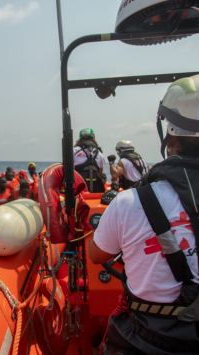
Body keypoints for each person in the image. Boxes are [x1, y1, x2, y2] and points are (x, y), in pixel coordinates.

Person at [89, 75, 199, 355]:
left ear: (169, 132)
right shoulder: (138, 158)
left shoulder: (128, 204)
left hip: (148, 337)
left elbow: (97, 255)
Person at [73, 128, 106, 192]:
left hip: (79, 187)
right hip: (96, 188)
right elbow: (100, 173)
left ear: (80, 139)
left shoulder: (75, 151)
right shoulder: (99, 153)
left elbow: (67, 168)